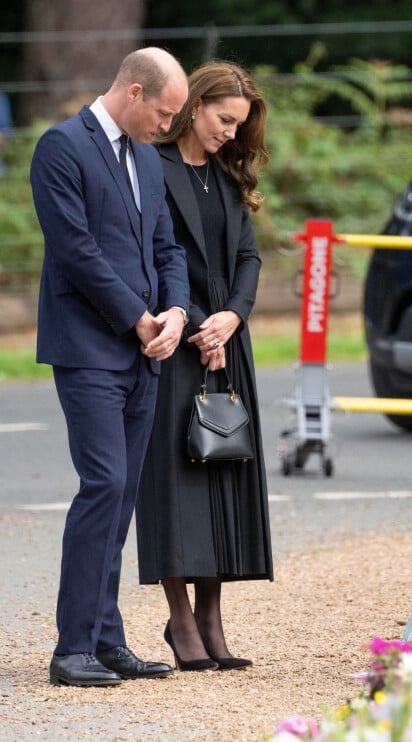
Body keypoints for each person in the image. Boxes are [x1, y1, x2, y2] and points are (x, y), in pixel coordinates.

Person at [30, 48, 191, 687]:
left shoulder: (147, 158)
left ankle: (105, 638)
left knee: (121, 493)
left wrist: (176, 311)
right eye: (165, 112)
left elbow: (166, 246)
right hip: (90, 347)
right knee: (102, 486)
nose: (168, 126)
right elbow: (75, 250)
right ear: (132, 91)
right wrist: (136, 316)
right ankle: (71, 648)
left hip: (144, 350)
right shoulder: (60, 147)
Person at [135, 61, 273, 671]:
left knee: (222, 471)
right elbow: (148, 259)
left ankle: (213, 616)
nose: (230, 134)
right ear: (195, 106)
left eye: (238, 125)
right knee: (173, 478)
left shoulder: (226, 171)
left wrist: (233, 319)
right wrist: (195, 323)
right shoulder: (151, 166)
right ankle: (181, 620)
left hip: (226, 339)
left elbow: (248, 257)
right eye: (224, 120)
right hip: (174, 334)